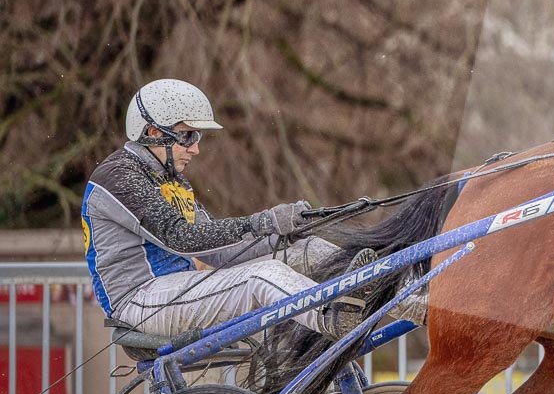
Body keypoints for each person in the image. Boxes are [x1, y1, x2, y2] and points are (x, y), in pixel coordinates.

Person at [80, 78, 415, 341]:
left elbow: (218, 254)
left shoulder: (173, 180)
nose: (196, 149)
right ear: (153, 133)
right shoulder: (118, 176)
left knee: (306, 250)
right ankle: (330, 316)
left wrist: (283, 234)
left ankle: (417, 305)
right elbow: (182, 238)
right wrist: (265, 221)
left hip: (177, 288)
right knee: (260, 276)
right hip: (140, 301)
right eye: (188, 136)